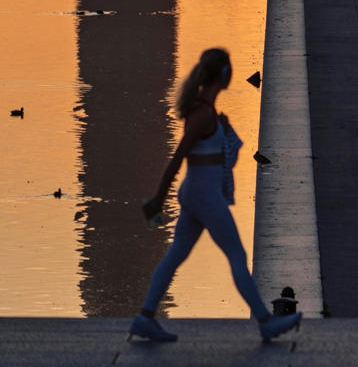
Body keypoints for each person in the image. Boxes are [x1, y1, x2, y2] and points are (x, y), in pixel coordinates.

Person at [129, 47, 302, 344]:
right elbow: (177, 159)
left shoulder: (207, 114)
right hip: (204, 197)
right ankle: (265, 321)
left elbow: (218, 155)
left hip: (197, 194)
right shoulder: (202, 115)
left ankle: (144, 318)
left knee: (175, 255)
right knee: (237, 255)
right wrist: (158, 197)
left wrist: (224, 131)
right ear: (223, 74)